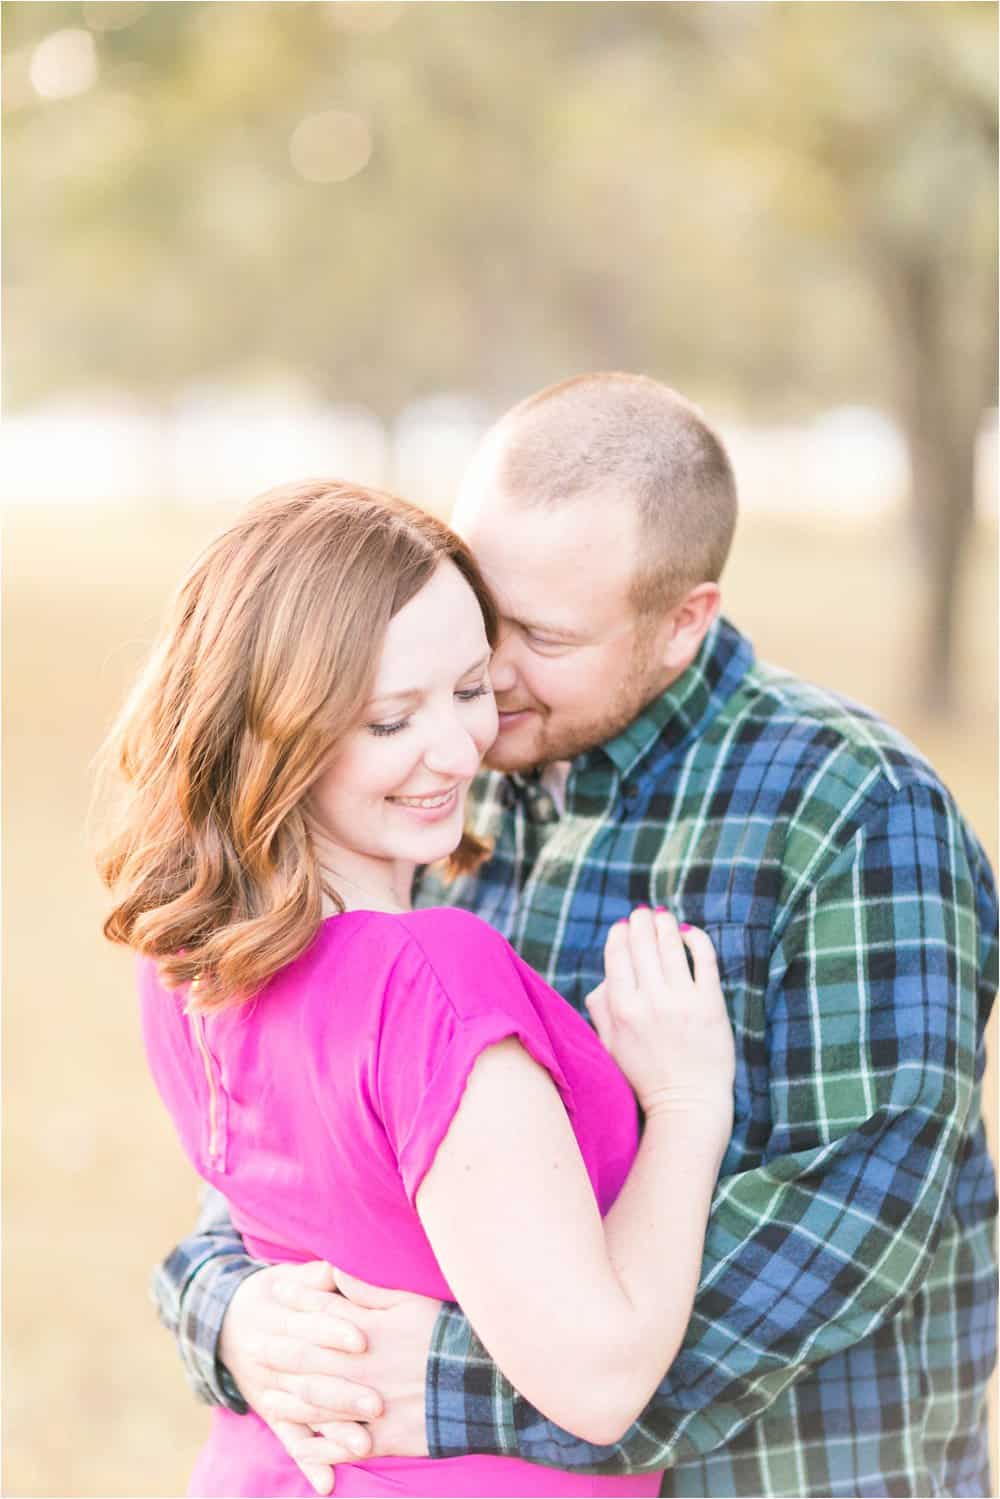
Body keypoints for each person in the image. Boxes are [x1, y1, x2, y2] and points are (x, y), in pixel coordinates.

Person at [154, 375, 999, 1498]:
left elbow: (842, 1226)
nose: (487, 674)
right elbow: (299, 1153)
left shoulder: (850, 811)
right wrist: (233, 1314)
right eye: (478, 612)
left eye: (542, 636)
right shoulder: (445, 788)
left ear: (680, 622)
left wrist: (448, 1386)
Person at [98, 478, 737, 1498]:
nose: (457, 749)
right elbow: (599, 1379)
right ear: (274, 730)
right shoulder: (427, 976)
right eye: (392, 719)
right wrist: (688, 1103)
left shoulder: (187, 955)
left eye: (472, 688)